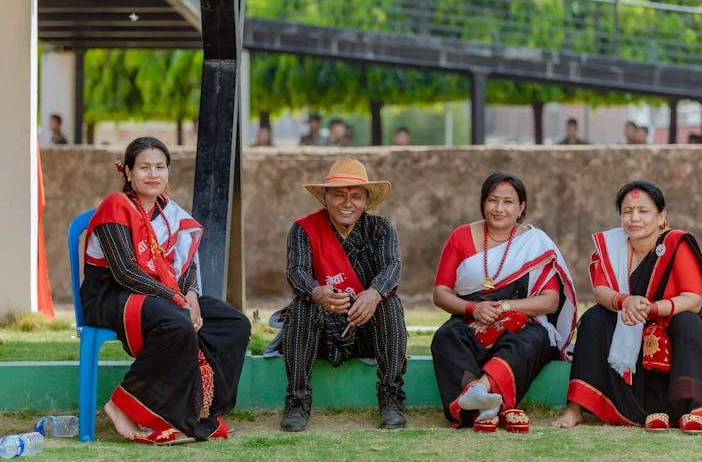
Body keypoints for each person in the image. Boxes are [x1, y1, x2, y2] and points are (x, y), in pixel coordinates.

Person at [80, 137, 251, 444]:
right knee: (176, 321)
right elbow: (124, 271)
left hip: (160, 295)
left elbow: (185, 268)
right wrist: (176, 300)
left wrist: (192, 297)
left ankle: (201, 410)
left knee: (233, 323)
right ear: (128, 172)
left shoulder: (171, 214)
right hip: (112, 296)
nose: (153, 174)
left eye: (160, 167)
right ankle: (122, 404)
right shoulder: (116, 206)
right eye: (144, 167)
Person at [552, 181, 702, 434]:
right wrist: (626, 301)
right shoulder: (612, 247)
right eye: (627, 211)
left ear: (661, 216)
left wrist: (653, 309)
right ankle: (576, 408)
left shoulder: (676, 244)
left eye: (643, 211)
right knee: (594, 318)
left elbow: (694, 299)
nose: (634, 218)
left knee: (687, 320)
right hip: (630, 331)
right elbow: (601, 291)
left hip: (676, 330)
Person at [431, 172, 578, 433]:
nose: (499, 209)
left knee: (530, 340)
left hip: (524, 323)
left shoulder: (535, 243)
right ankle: (482, 407)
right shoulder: (461, 237)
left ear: (521, 207)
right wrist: (473, 308)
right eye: (492, 200)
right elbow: (441, 293)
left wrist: (506, 308)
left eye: (508, 202)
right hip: (471, 320)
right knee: (446, 337)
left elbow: (550, 301)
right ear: (483, 203)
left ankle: (479, 392)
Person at [271, 158, 408, 432]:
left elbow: (392, 266)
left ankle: (391, 397)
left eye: (356, 196)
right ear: (325, 197)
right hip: (320, 331)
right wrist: (316, 291)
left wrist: (373, 294)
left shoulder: (381, 229)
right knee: (303, 304)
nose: (348, 203)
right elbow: (296, 272)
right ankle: (297, 401)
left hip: (365, 330)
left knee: (390, 303)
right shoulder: (303, 230)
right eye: (339, 195)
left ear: (366, 200)